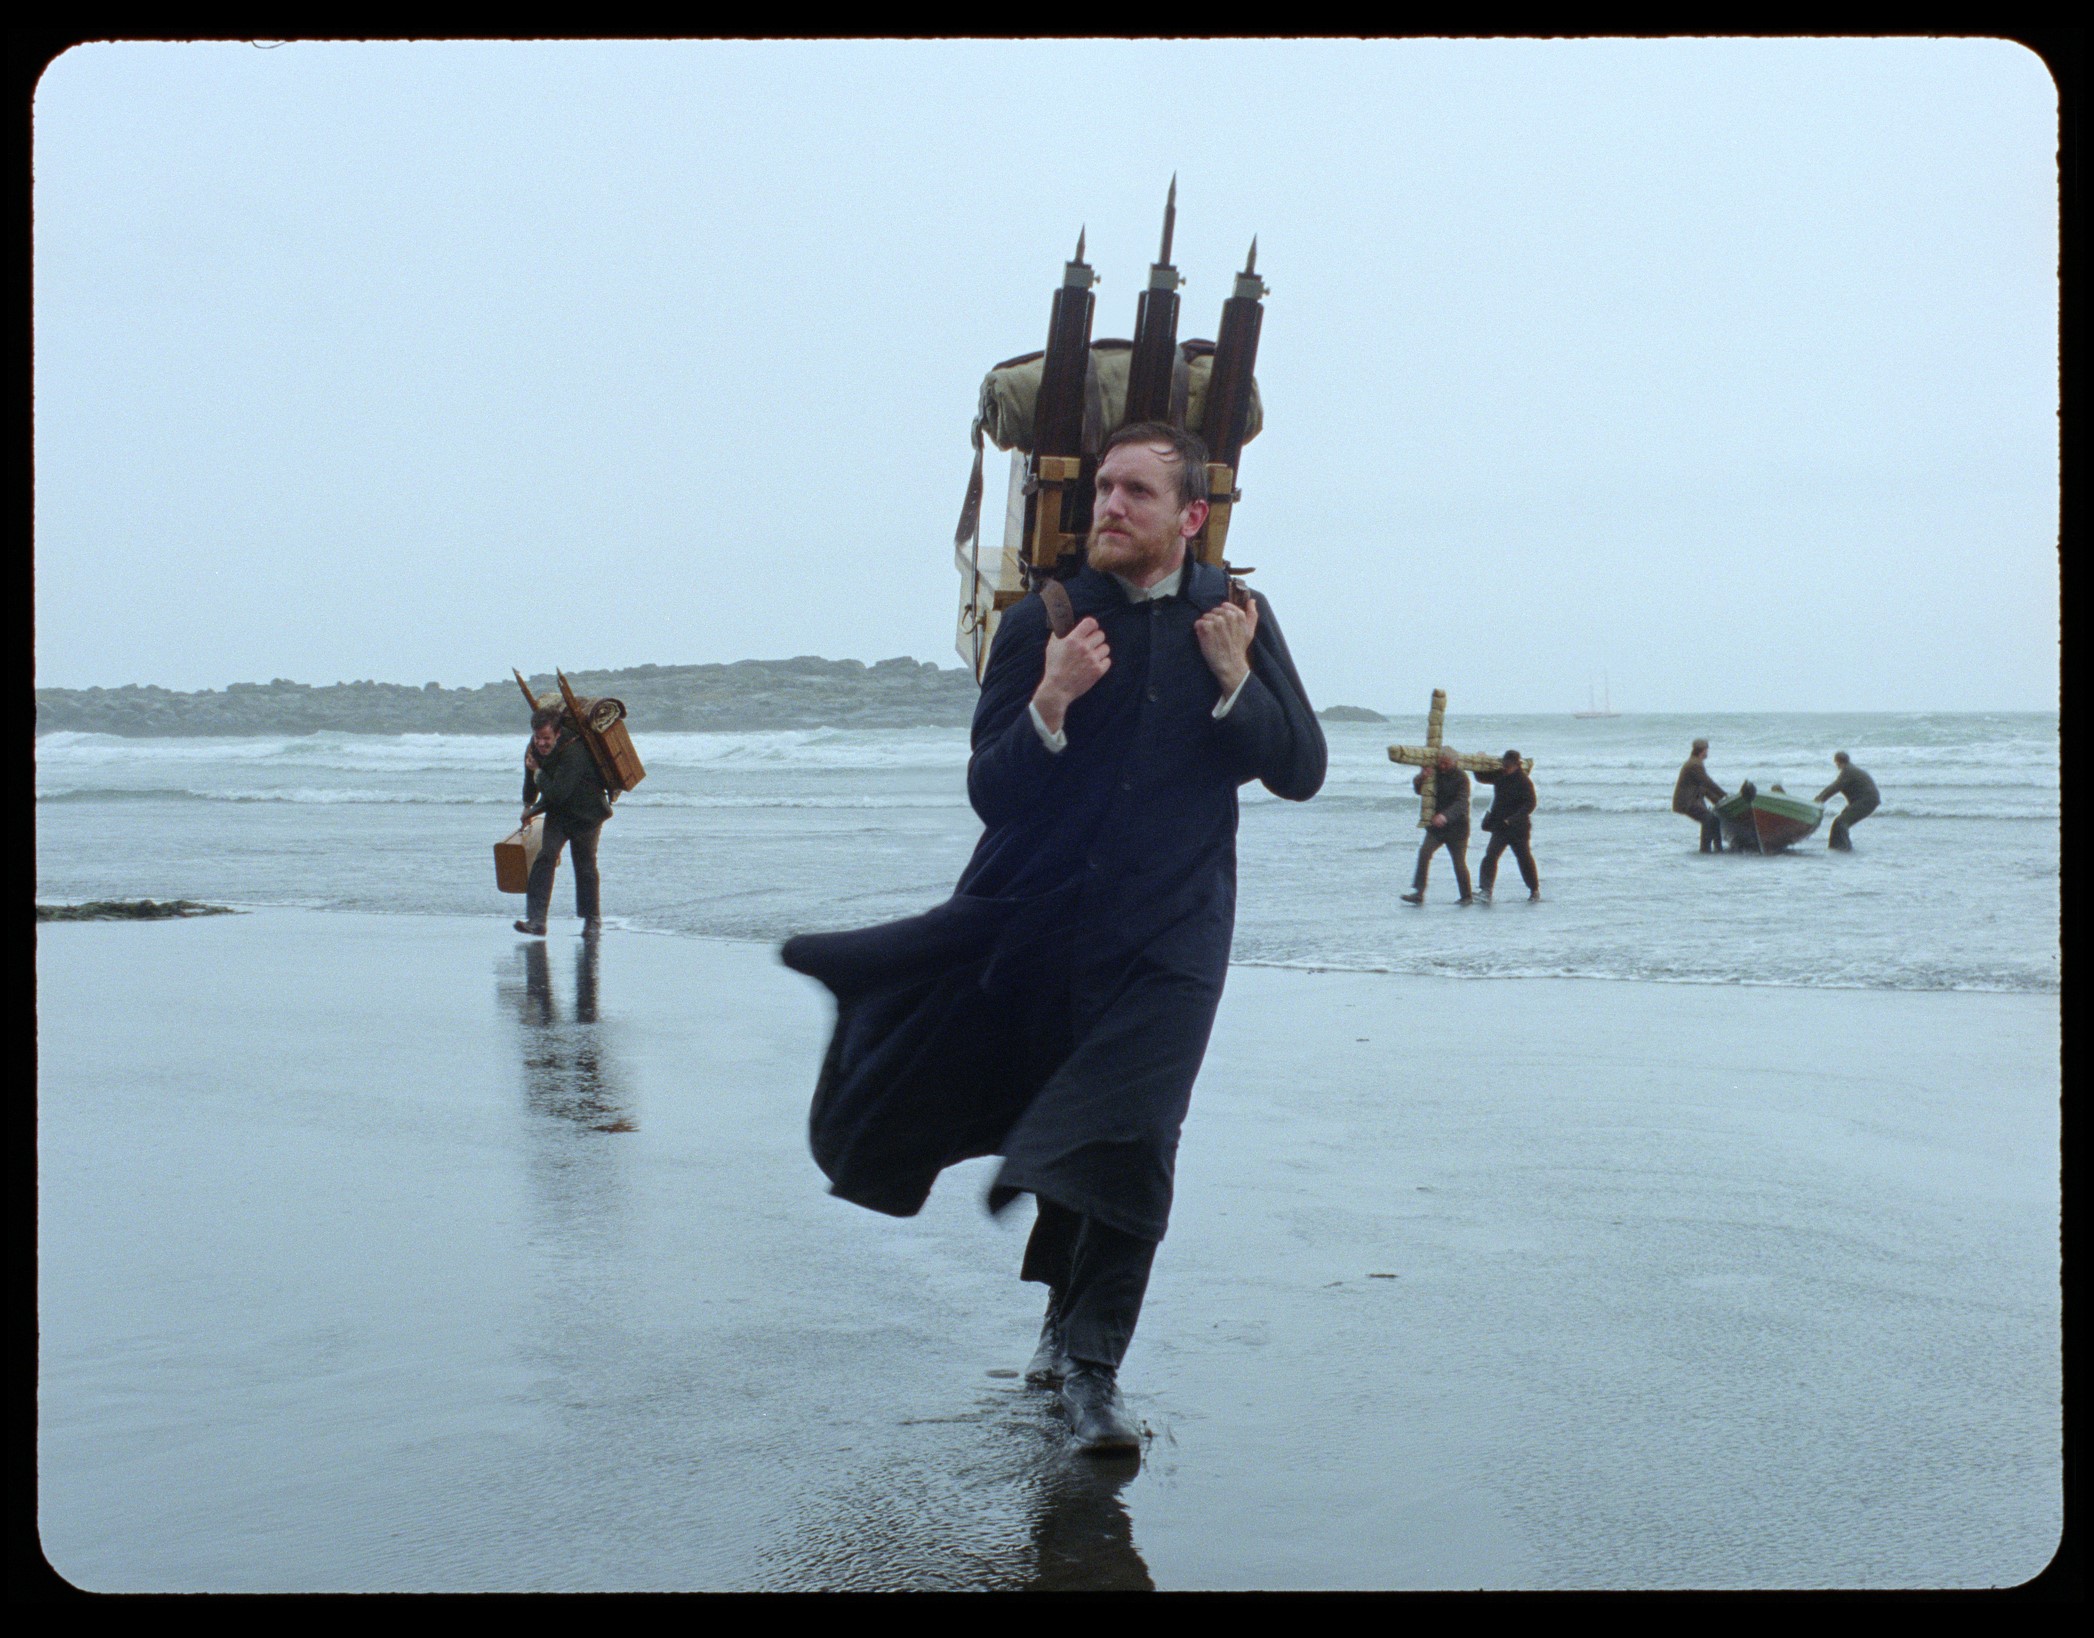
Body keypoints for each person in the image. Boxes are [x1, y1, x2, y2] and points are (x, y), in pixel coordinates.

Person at [780, 421, 1326, 1454]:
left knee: (1135, 1133)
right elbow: (993, 790)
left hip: (1177, 933)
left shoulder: (1236, 617)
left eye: (1136, 494)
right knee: (1074, 1122)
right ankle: (1063, 1317)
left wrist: (1235, 682)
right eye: (1105, 490)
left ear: (1191, 517)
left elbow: (1301, 767)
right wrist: (1050, 698)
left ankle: (1092, 1371)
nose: (1110, 508)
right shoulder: (1048, 620)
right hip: (1046, 929)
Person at [516, 704, 610, 938]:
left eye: (546, 738)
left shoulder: (574, 751)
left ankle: (592, 920)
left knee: (585, 865)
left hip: (587, 813)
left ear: (558, 734)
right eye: (537, 738)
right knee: (545, 856)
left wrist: (538, 774)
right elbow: (530, 776)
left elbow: (557, 792)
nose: (541, 744)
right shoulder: (534, 747)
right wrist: (528, 805)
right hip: (558, 813)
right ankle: (537, 921)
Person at [1400, 746, 1472, 904]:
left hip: (1457, 828)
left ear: (1454, 762)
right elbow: (1419, 791)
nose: (1443, 766)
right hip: (1436, 828)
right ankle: (1418, 893)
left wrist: (1445, 816)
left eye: (1446, 763)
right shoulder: (1435, 773)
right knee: (1424, 853)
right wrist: (1421, 778)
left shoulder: (1462, 778)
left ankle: (1466, 896)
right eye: (1441, 763)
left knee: (1459, 862)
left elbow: (1462, 803)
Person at [1473, 749, 1539, 902]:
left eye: (1509, 765)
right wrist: (1478, 763)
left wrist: (1513, 819)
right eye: (1505, 764)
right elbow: (1482, 777)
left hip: (1518, 829)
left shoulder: (1524, 781)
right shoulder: (1500, 776)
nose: (1506, 767)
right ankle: (1486, 890)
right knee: (1490, 856)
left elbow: (1530, 804)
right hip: (1500, 827)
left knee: (1523, 858)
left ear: (1517, 765)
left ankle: (1534, 890)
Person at [1815, 751, 1880, 851]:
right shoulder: (1850, 770)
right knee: (1840, 823)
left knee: (1841, 822)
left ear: (1837, 762)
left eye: (1836, 762)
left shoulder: (1848, 771)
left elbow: (1835, 787)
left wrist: (1819, 799)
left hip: (1867, 802)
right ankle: (1837, 848)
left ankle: (1844, 849)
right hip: (1866, 801)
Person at [1673, 738, 1727, 853]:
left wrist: (1719, 801)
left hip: (1692, 800)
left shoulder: (1695, 762)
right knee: (1709, 818)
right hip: (1687, 802)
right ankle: (1705, 850)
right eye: (1707, 749)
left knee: (1713, 819)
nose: (1707, 752)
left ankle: (1718, 849)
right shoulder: (1694, 765)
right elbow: (1707, 782)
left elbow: (1704, 788)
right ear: (1702, 750)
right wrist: (1724, 795)